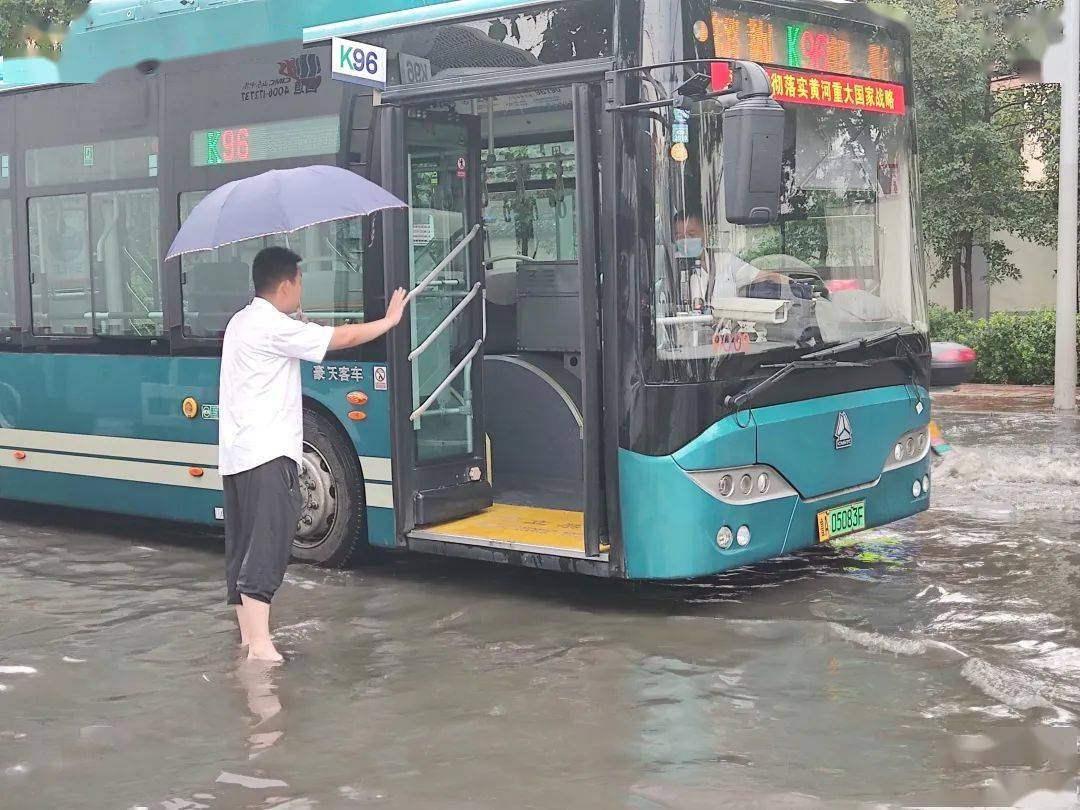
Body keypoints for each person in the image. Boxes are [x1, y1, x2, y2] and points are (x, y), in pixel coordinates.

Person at [219, 246, 408, 662]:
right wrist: (390, 321)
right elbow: (342, 337)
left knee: (243, 547)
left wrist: (297, 320)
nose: (302, 288)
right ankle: (262, 648)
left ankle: (249, 641)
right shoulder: (272, 327)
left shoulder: (243, 321)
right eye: (301, 281)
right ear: (286, 284)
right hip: (267, 455)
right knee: (267, 546)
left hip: (236, 458)